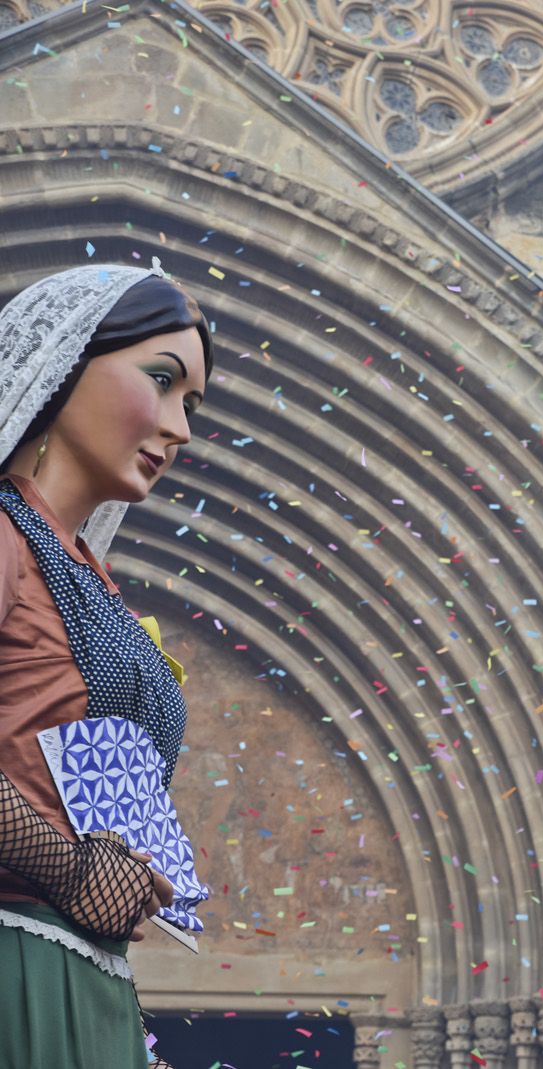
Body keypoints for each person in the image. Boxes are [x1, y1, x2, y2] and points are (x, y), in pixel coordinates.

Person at [0, 262, 211, 1069]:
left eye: (191, 404)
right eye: (161, 380)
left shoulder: (90, 576)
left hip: (89, 982)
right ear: (65, 361)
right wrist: (66, 866)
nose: (179, 427)